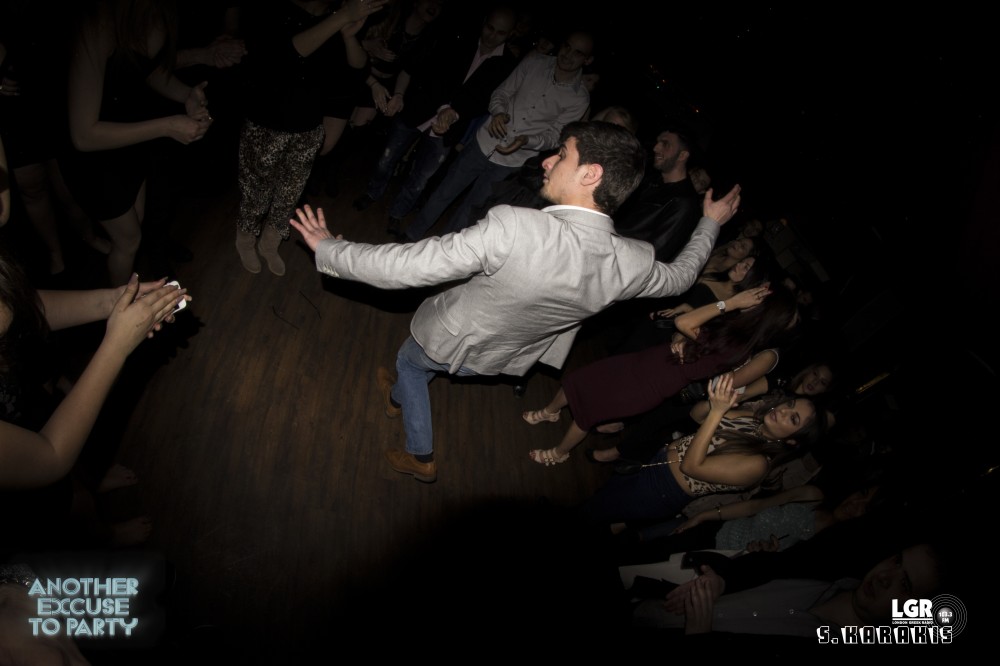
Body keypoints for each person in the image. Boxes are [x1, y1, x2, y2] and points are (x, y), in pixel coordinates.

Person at [290, 121, 741, 482]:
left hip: (449, 336)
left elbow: (404, 267)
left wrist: (330, 249)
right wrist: (710, 224)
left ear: (591, 174)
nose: (548, 160)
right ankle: (397, 395)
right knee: (418, 369)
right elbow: (682, 277)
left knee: (411, 362)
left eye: (562, 153)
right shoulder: (634, 260)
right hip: (501, 357)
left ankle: (420, 454)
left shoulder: (515, 227)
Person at [522, 283, 799, 465]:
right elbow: (687, 329)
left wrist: (730, 302)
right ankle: (550, 412)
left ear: (765, 310)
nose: (754, 292)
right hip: (650, 360)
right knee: (579, 380)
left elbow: (686, 323)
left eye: (761, 294)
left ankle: (559, 453)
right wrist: (683, 338)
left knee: (589, 412)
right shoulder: (733, 324)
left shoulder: (741, 345)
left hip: (655, 382)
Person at [59, 0, 214, 287]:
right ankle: (120, 310)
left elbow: (147, 71)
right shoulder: (97, 24)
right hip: (96, 157)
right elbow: (83, 135)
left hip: (131, 143)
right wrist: (167, 126)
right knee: (129, 240)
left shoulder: (157, 12)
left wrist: (186, 95)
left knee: (134, 227)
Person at [0, 264, 189, 489]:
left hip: (26, 401)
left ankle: (89, 477)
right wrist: (116, 345)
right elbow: (49, 459)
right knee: (70, 500)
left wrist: (111, 302)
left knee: (70, 443)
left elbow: (23, 308)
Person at [234, 0, 387, 276]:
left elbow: (358, 71)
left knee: (290, 193)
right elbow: (287, 55)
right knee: (256, 189)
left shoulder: (333, 17)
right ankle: (245, 238)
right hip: (266, 122)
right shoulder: (274, 9)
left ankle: (270, 242)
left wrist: (348, 35)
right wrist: (341, 17)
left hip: (308, 126)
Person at [402, 30, 595, 240]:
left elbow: (555, 136)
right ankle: (411, 236)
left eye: (578, 53)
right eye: (567, 46)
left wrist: (526, 141)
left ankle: (445, 251)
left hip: (513, 162)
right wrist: (499, 113)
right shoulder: (534, 62)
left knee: (471, 212)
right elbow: (502, 92)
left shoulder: (579, 98)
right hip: (483, 142)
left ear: (588, 60)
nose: (568, 55)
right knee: (443, 192)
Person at [350, 4, 518, 238]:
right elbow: (434, 74)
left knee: (421, 177)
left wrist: (454, 114)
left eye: (500, 33)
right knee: (387, 157)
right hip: (419, 107)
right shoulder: (460, 37)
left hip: (452, 126)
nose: (492, 36)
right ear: (484, 23)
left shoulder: (507, 64)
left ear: (510, 34)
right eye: (490, 28)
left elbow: (485, 99)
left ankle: (398, 213)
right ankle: (373, 192)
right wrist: (443, 107)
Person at [577, 372, 827, 527]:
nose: (783, 411)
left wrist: (718, 412)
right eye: (789, 405)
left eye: (793, 419)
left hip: (663, 490)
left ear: (793, 441)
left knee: (591, 514)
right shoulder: (753, 421)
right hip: (656, 462)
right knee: (599, 501)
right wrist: (722, 400)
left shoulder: (758, 463)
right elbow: (697, 416)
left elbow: (691, 467)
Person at [638, 542, 948, 639]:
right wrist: (722, 581)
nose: (885, 577)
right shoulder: (823, 567)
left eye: (905, 584)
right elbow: (763, 565)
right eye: (896, 560)